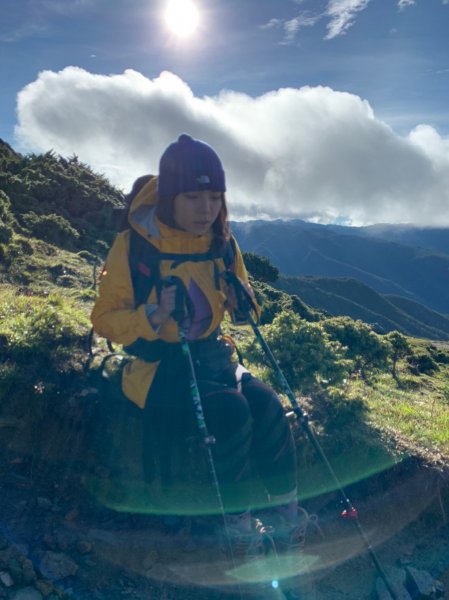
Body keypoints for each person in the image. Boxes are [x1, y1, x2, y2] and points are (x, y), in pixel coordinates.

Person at [90, 134, 309, 568]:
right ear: (171, 197)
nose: (205, 209)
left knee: (266, 405)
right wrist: (152, 315)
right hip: (155, 367)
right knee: (230, 412)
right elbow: (104, 318)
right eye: (193, 197)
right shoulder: (135, 244)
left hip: (212, 355)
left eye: (214, 197)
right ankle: (238, 526)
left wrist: (240, 298)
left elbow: (248, 315)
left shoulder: (222, 243)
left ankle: (288, 517)